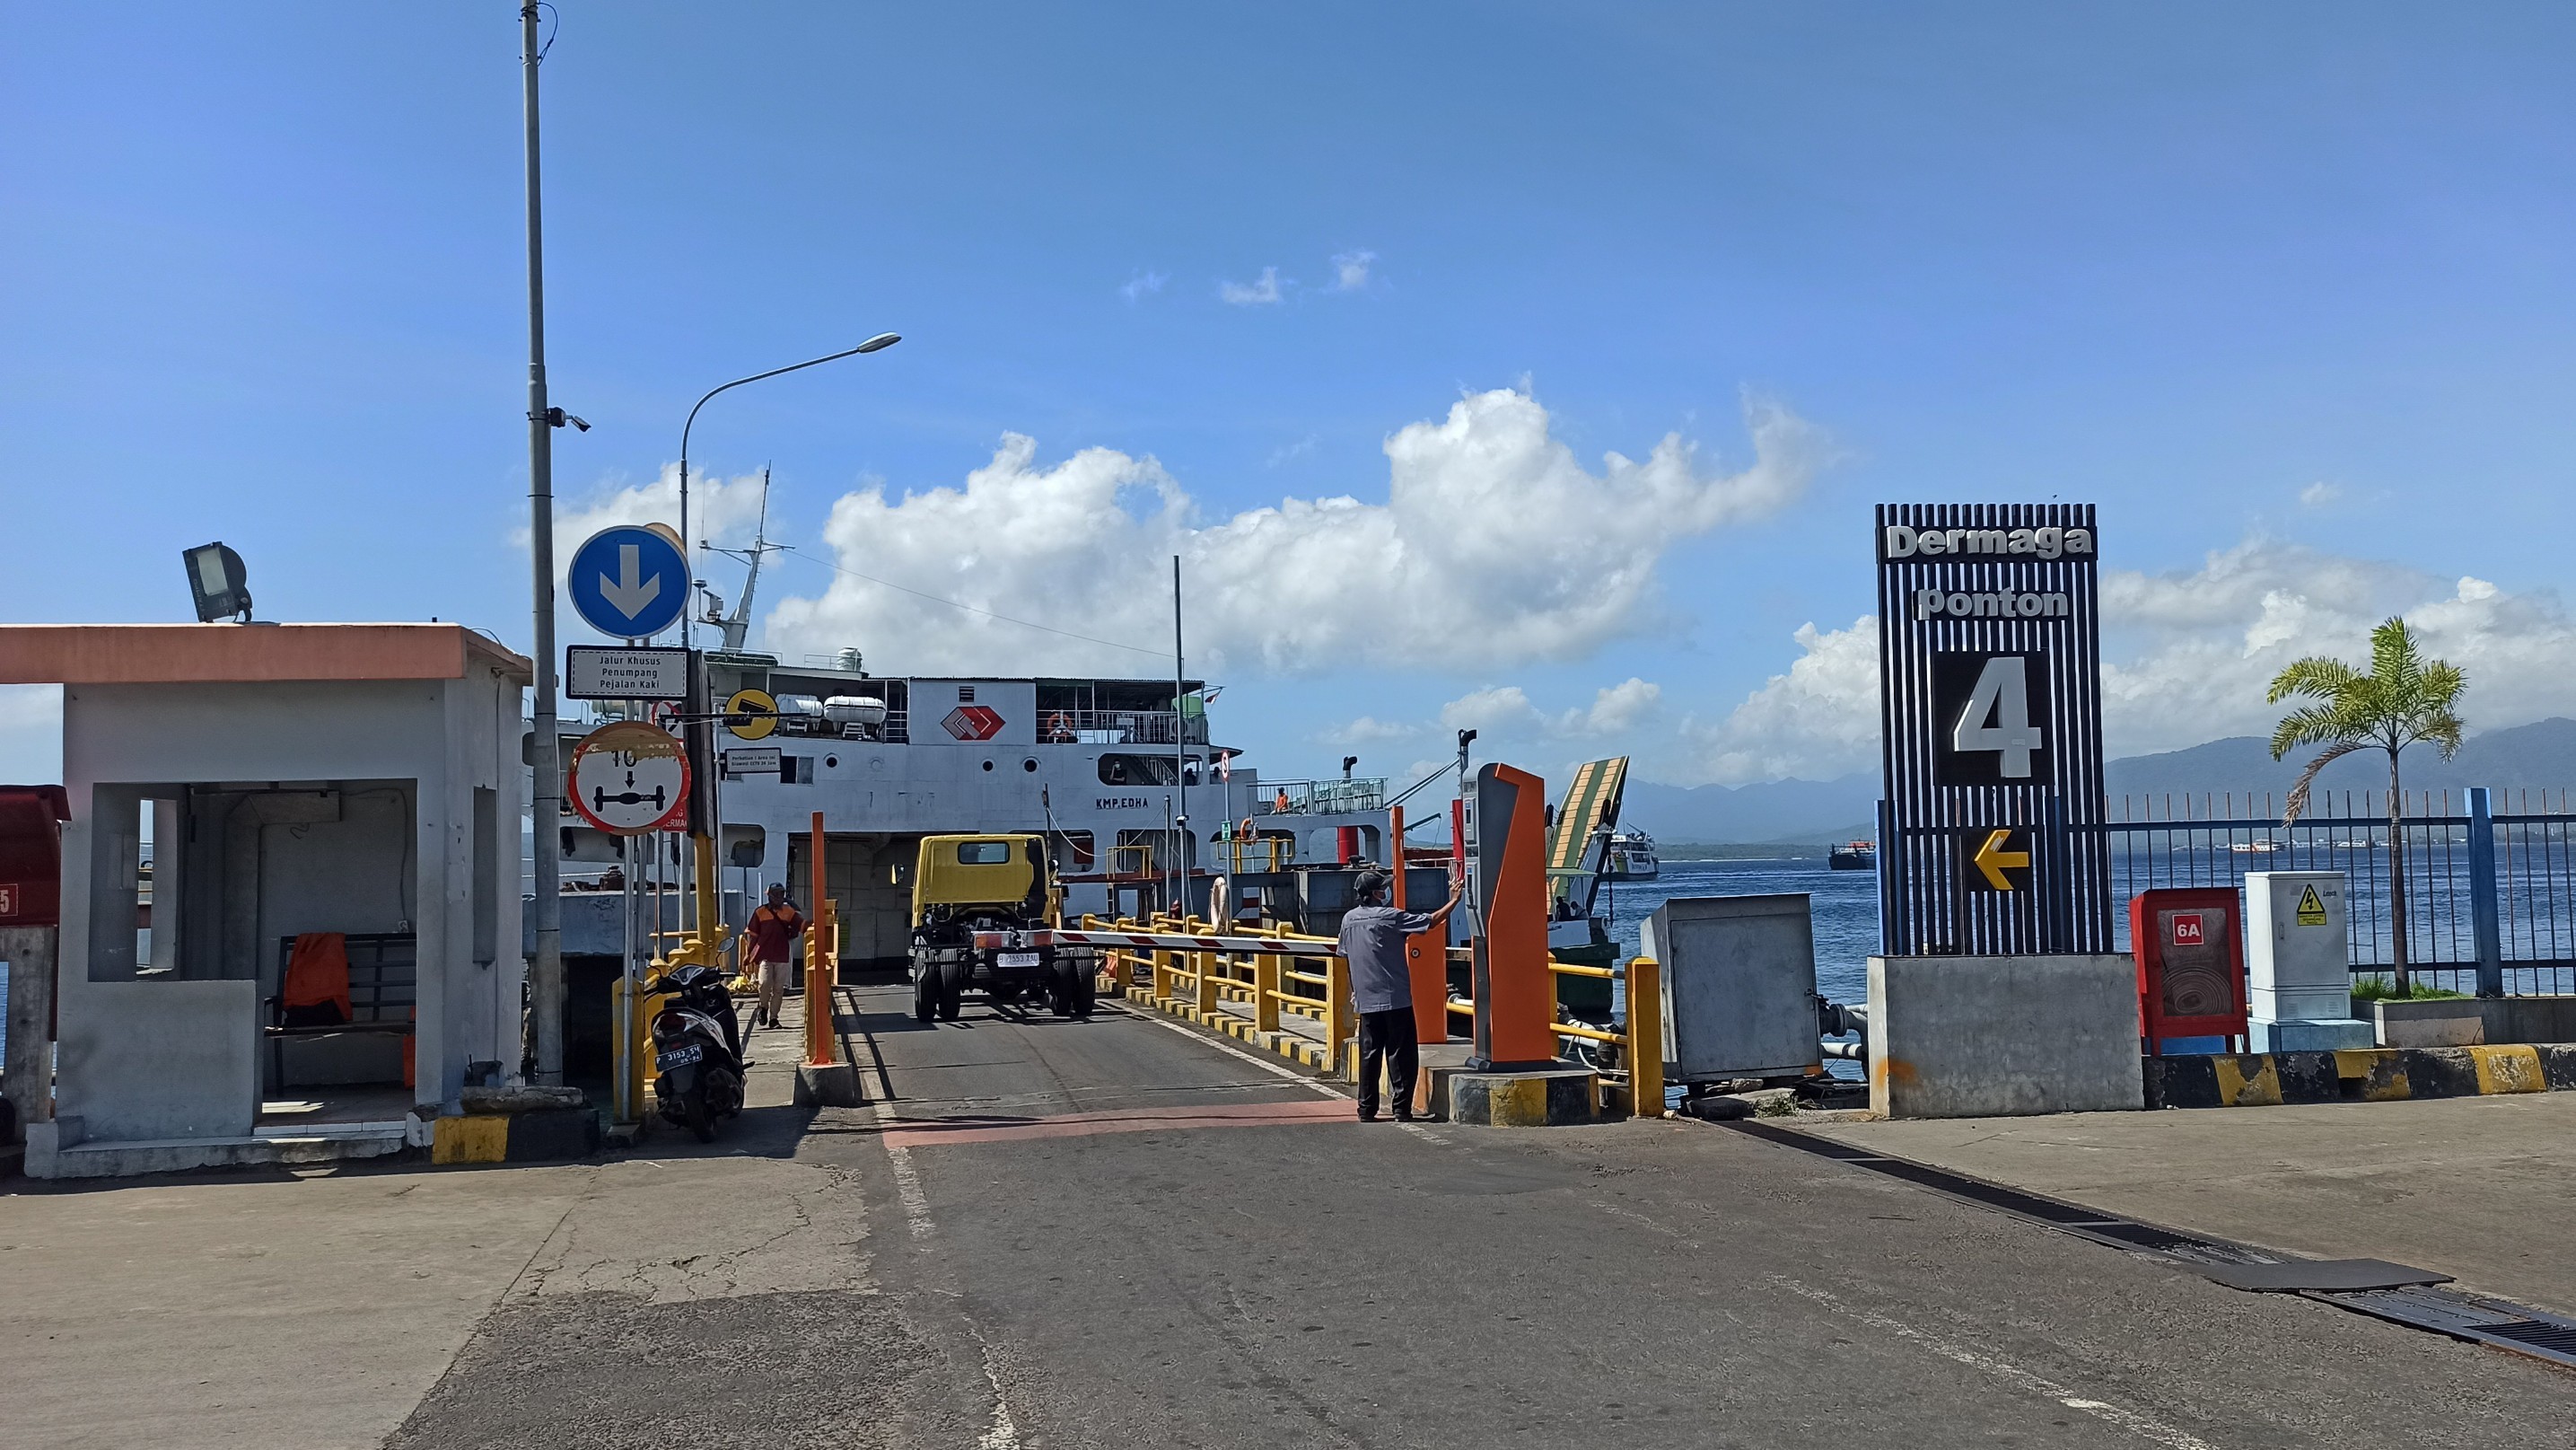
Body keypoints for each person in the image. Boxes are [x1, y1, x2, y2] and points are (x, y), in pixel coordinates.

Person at [1336, 866, 1464, 1122]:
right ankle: (1401, 1109)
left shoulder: (1348, 920)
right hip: (1395, 997)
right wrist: (1454, 900)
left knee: (1369, 1057)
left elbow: (1346, 957)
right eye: (1383, 886)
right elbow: (1431, 920)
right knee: (1401, 1055)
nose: (1387, 890)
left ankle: (1366, 1110)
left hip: (1367, 999)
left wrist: (1355, 992)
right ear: (1376, 893)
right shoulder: (1390, 916)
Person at [743, 883, 807, 1030]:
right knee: (764, 984)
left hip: (782, 955)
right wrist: (748, 955)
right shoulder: (760, 912)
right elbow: (753, 936)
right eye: (775, 894)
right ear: (769, 895)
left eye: (781, 894)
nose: (779, 897)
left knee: (779, 988)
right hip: (765, 955)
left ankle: (774, 1018)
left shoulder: (788, 911)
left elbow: (802, 926)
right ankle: (763, 1007)